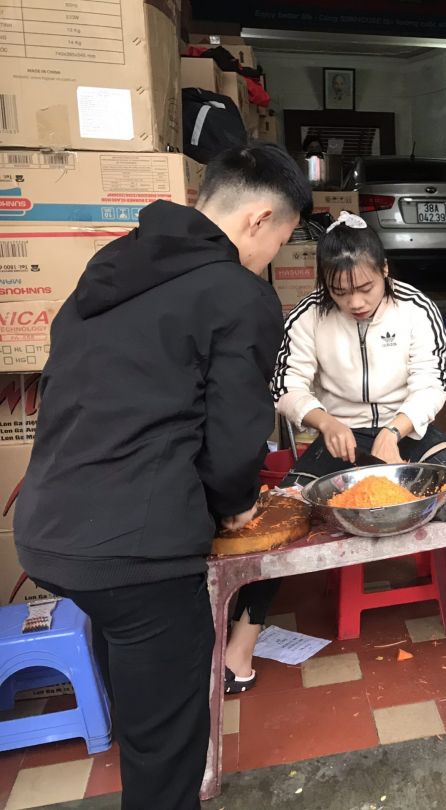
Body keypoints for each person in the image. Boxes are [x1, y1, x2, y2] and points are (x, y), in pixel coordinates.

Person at [13, 145, 312, 810]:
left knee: (143, 709)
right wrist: (234, 504)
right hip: (138, 550)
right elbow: (235, 437)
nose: (271, 258)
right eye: (281, 241)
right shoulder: (238, 294)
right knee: (168, 755)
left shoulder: (115, 265)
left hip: (49, 529)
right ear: (260, 219)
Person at [222, 211, 446, 691]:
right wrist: (323, 420)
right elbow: (286, 385)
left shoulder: (416, 308)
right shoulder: (307, 315)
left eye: (365, 288)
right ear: (325, 284)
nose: (354, 301)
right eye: (340, 291)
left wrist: (397, 428)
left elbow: (432, 384)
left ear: (385, 270)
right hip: (340, 435)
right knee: (279, 515)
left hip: (409, 429)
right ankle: (240, 646)